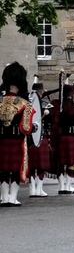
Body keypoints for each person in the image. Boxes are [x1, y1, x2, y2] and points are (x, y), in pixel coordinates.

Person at [0, 62, 35, 207]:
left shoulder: (0, 101)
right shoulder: (25, 104)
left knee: (2, 169)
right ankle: (12, 197)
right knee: (15, 169)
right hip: (16, 140)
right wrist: (34, 127)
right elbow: (26, 128)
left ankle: (3, 197)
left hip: (1, 140)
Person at [51, 73, 74, 195]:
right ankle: (68, 186)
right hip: (71, 137)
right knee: (70, 163)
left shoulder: (57, 105)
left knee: (61, 162)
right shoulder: (72, 107)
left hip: (61, 137)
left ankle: (62, 186)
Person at [27, 75, 52, 198]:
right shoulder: (33, 104)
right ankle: (35, 188)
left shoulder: (30, 104)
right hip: (37, 136)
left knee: (37, 164)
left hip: (34, 137)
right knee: (37, 165)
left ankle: (37, 188)